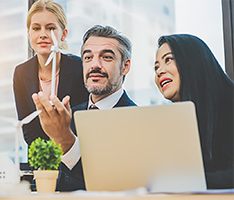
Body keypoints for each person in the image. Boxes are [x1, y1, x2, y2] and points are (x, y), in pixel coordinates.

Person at [0, 0, 88, 182]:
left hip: (77, 164)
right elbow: (28, 130)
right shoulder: (21, 73)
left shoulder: (79, 67)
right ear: (29, 33)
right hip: (42, 165)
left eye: (51, 28)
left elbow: (81, 124)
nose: (43, 35)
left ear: (64, 35)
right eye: (36, 28)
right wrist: (45, 160)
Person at [32, 25, 136, 191]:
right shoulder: (68, 116)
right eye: (88, 58)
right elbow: (56, 179)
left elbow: (113, 186)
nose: (95, 65)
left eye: (107, 57)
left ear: (125, 67)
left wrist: (66, 141)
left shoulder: (137, 121)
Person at [154, 34, 234, 189]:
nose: (159, 71)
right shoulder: (174, 124)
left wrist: (186, 182)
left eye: (168, 60)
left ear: (192, 60)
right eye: (156, 67)